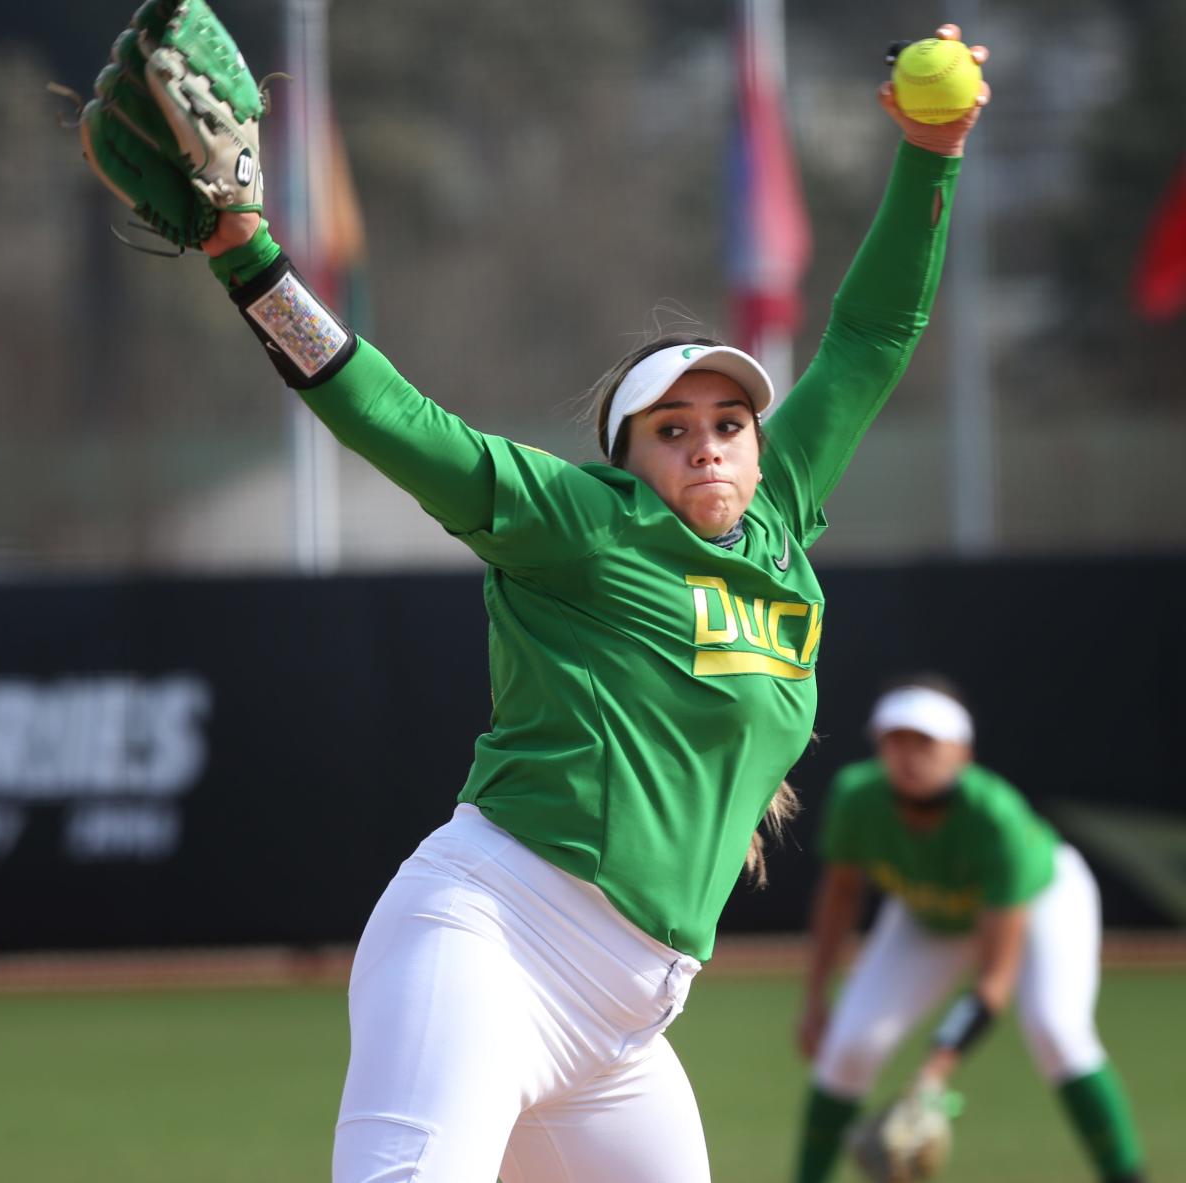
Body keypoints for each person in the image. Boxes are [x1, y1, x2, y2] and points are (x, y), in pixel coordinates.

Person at [78, 6, 987, 1180]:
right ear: (627, 457)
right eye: (673, 429)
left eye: (729, 422)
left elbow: (871, 337)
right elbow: (389, 415)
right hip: (491, 945)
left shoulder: (778, 519)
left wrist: (932, 154)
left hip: (626, 1031)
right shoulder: (578, 524)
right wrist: (251, 258)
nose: (710, 444)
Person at [793, 675, 1148, 1183]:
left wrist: (933, 1075)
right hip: (927, 910)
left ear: (963, 752)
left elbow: (995, 979)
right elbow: (841, 895)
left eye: (926, 742)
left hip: (1043, 900)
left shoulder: (995, 819)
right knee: (849, 1047)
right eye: (895, 740)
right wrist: (814, 997)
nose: (909, 755)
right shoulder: (858, 798)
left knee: (1056, 1030)